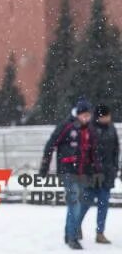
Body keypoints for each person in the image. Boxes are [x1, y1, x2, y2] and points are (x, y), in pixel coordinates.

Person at [39, 97, 101, 250]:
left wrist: (97, 170)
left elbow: (94, 152)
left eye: (89, 115)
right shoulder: (67, 126)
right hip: (68, 171)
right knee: (75, 204)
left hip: (84, 172)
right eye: (84, 115)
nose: (87, 118)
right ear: (78, 114)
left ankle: (69, 234)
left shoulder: (90, 130)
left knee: (81, 203)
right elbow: (50, 144)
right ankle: (72, 237)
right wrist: (44, 168)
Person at [78, 104, 119, 245]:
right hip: (92, 174)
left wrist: (115, 168)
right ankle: (76, 226)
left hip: (107, 174)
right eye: (106, 116)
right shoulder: (89, 129)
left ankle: (100, 233)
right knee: (85, 203)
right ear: (100, 117)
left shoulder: (112, 129)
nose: (109, 118)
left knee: (103, 205)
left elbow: (116, 150)